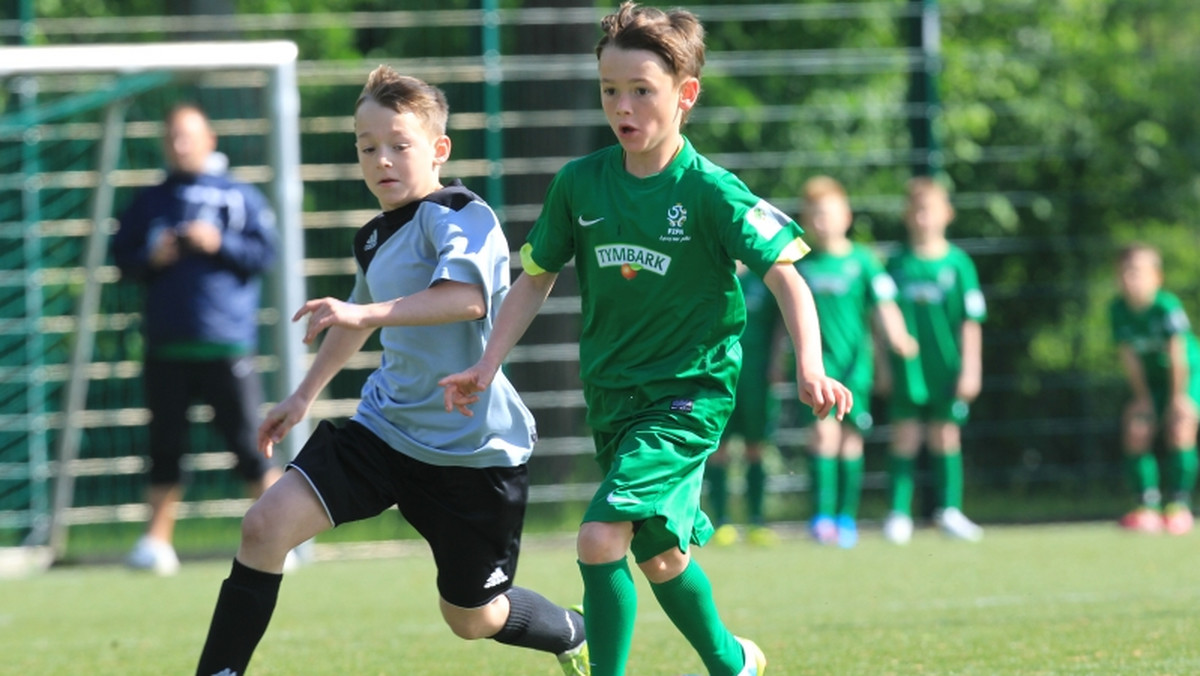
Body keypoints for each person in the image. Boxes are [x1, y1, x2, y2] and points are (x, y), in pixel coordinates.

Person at [440, 4, 852, 675]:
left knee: (600, 536)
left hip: (687, 396)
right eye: (610, 90)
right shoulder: (581, 184)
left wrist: (810, 363)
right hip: (614, 397)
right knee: (659, 555)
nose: (622, 107)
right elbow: (534, 279)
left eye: (641, 91)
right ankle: (731, 662)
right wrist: (486, 365)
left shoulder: (711, 191)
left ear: (685, 96)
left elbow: (787, 278)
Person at [193, 66, 589, 676]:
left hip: (470, 452)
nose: (382, 160)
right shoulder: (375, 237)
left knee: (472, 618)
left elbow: (466, 298)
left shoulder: (460, 212)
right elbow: (358, 322)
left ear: (438, 149)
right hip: (385, 431)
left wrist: (360, 309)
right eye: (367, 147)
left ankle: (570, 629)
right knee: (263, 527)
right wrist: (302, 397)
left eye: (399, 146)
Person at [112, 103, 280, 576]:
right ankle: (156, 543)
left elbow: (265, 253)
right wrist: (154, 255)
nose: (180, 145)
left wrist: (218, 242)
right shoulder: (149, 201)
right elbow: (122, 259)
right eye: (172, 137)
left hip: (227, 345)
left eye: (188, 136)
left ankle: (286, 533)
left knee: (250, 444)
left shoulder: (239, 196)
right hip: (166, 347)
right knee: (164, 447)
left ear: (211, 139)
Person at [794, 176, 917, 548]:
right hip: (818, 367)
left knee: (850, 441)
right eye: (813, 215)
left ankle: (845, 518)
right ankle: (821, 517)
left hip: (855, 369)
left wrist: (898, 338)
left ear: (846, 216)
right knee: (822, 435)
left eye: (828, 214)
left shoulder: (864, 262)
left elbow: (883, 306)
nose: (821, 222)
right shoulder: (801, 264)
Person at [880, 177, 986, 545]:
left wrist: (971, 368)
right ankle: (898, 513)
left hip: (947, 365)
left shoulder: (959, 264)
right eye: (917, 210)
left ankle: (950, 511)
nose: (923, 218)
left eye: (931, 210)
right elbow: (881, 315)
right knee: (905, 435)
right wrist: (882, 361)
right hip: (908, 368)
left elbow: (971, 320)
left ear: (947, 214)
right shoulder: (895, 261)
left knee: (945, 434)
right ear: (907, 216)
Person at [1110, 242, 1199, 535]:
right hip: (1151, 384)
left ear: (1156, 277)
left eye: (1136, 271)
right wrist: (1143, 399)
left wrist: (1178, 399)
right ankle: (1146, 505)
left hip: (1186, 377)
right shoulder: (1118, 310)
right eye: (1123, 272)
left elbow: (1178, 356)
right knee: (1137, 428)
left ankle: (1179, 505)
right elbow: (1130, 358)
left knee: (1179, 428)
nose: (1128, 278)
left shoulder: (1166, 306)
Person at [707, 266, 783, 548]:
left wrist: (777, 362)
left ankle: (756, 521)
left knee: (757, 447)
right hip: (716, 376)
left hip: (756, 377)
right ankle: (721, 521)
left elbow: (779, 325)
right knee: (717, 448)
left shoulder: (762, 276)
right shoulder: (710, 270)